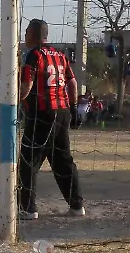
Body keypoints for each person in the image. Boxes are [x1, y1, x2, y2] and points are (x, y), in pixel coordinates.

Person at [17, 18, 84, 220]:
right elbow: (72, 83)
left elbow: (27, 85)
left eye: (26, 31)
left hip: (41, 114)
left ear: (32, 34)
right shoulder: (60, 55)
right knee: (63, 161)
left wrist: (11, 102)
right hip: (62, 112)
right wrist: (73, 108)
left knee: (28, 162)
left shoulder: (33, 55)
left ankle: (28, 209)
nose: (24, 35)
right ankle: (77, 205)